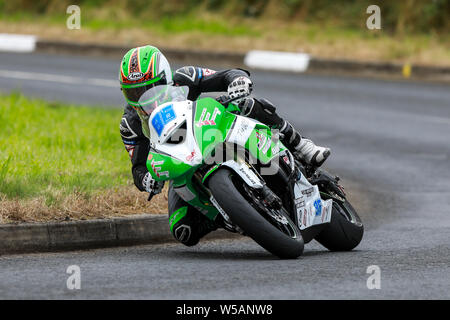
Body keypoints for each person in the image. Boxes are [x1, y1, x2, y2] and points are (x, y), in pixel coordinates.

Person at [119, 45, 330, 246]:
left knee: (247, 104)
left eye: (147, 89)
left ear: (164, 78)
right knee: (183, 230)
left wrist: (239, 80)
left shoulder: (186, 78)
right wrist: (147, 180)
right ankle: (230, 214)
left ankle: (301, 146)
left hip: (209, 131)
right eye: (133, 93)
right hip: (182, 164)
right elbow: (138, 168)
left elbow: (227, 74)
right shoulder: (130, 124)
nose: (141, 97)